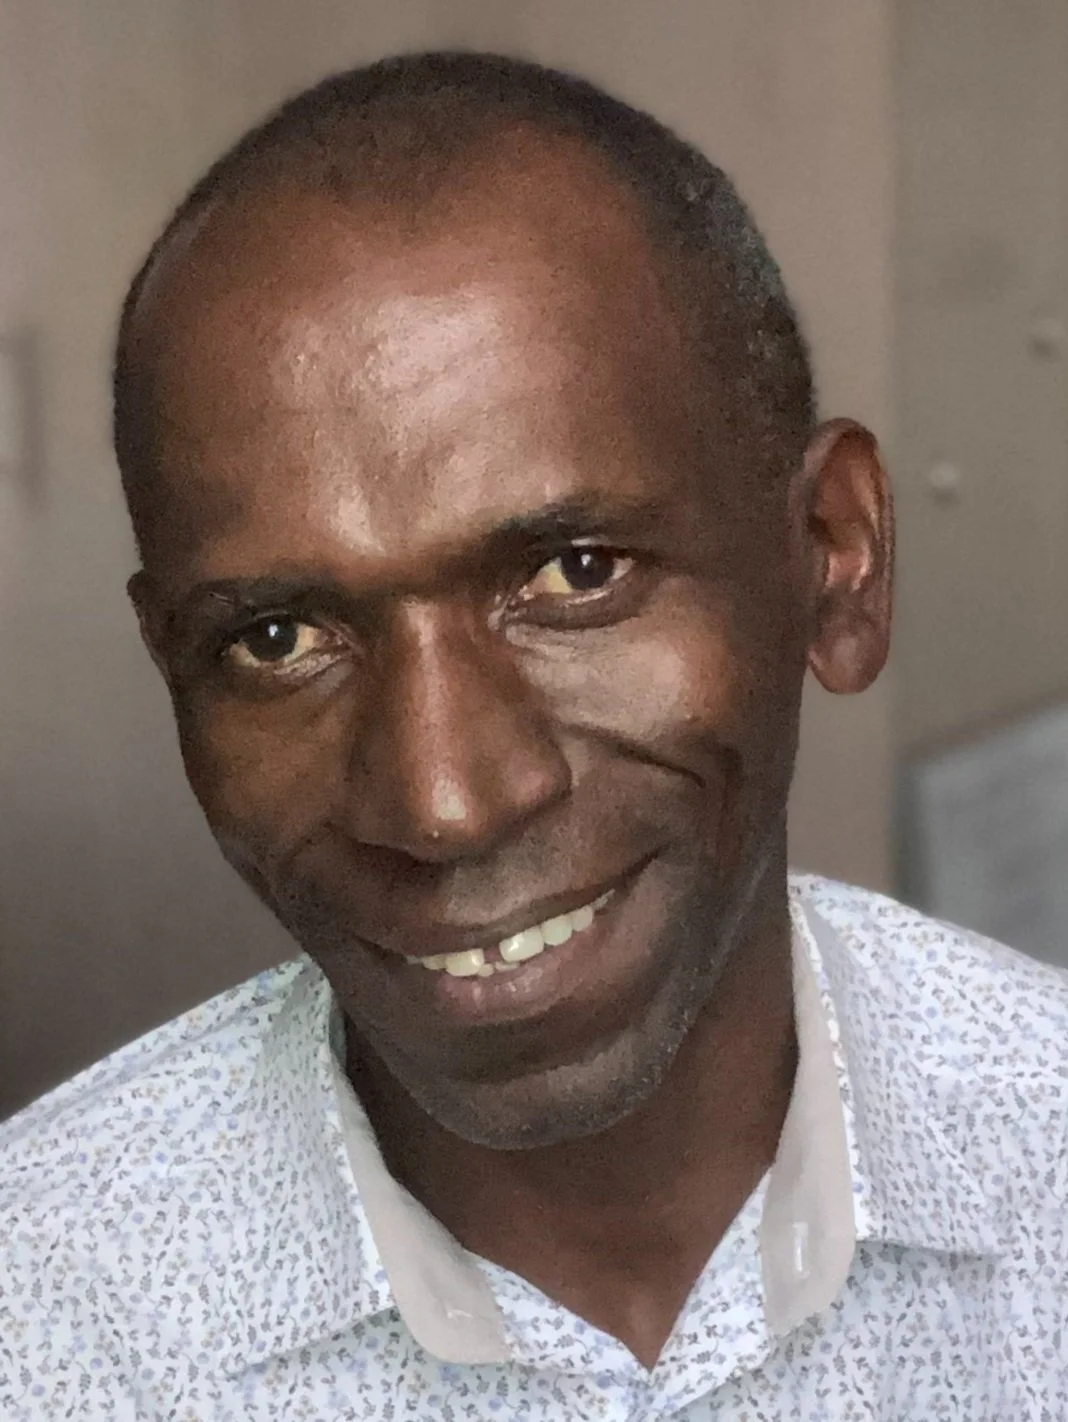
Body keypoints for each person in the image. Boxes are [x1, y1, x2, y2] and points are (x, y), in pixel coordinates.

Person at [2, 51, 1065, 1421]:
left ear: (832, 555)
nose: (445, 797)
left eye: (574, 571)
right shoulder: (42, 1322)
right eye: (276, 639)